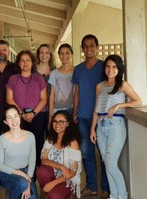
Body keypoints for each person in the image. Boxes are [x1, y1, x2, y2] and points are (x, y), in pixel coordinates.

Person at [90, 55, 142, 199]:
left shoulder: (122, 84)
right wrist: (92, 129)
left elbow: (138, 101)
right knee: (106, 164)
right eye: (108, 66)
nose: (110, 69)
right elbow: (96, 109)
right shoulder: (99, 86)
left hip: (116, 126)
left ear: (119, 68)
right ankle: (114, 196)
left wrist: (119, 105)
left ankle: (122, 196)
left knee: (111, 164)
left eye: (114, 66)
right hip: (100, 126)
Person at [71, 34, 110, 198]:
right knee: (86, 153)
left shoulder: (104, 67)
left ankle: (106, 188)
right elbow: (77, 92)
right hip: (83, 117)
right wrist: (74, 113)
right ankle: (92, 186)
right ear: (82, 49)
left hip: (100, 117)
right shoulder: (78, 69)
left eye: (91, 45)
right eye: (85, 46)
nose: (88, 49)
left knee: (102, 153)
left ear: (97, 47)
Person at [6, 50, 47, 167]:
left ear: (32, 63)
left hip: (37, 116)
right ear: (18, 63)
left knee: (37, 144)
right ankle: (22, 169)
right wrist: (20, 114)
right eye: (22, 60)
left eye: (28, 60)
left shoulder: (39, 78)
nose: (25, 63)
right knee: (20, 144)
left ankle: (36, 172)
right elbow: (9, 99)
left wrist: (33, 113)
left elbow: (43, 99)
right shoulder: (13, 79)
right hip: (18, 118)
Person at [36, 110, 82, 199]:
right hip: (52, 174)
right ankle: (51, 194)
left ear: (67, 123)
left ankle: (60, 193)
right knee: (41, 171)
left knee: (54, 196)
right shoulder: (50, 139)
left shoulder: (73, 143)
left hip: (68, 179)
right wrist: (61, 167)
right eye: (55, 121)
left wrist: (52, 183)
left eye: (61, 122)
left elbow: (72, 173)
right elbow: (43, 160)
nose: (57, 125)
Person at [0, 104, 38, 199]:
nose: (14, 120)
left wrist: (28, 180)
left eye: (15, 115)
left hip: (27, 172)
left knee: (32, 196)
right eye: (9, 118)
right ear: (5, 122)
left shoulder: (31, 136)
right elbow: (0, 165)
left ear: (20, 116)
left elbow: (32, 161)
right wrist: (21, 174)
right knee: (21, 184)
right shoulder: (1, 139)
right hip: (7, 173)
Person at [48, 44, 74, 124]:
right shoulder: (54, 73)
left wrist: (75, 113)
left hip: (72, 111)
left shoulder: (77, 71)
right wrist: (50, 118)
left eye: (67, 53)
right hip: (57, 112)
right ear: (59, 55)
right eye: (61, 53)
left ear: (71, 55)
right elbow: (52, 96)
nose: (64, 56)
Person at [36, 44, 54, 135]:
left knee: (50, 136)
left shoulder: (55, 71)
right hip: (36, 108)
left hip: (51, 108)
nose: (44, 55)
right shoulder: (32, 70)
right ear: (38, 54)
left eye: (47, 52)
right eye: (41, 52)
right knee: (37, 137)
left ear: (50, 55)